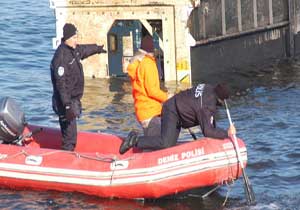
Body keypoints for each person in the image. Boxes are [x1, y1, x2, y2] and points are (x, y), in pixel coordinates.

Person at [119, 83, 236, 154]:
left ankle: (137, 141)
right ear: (220, 100)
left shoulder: (208, 87)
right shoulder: (206, 105)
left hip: (178, 109)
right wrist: (226, 133)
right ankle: (134, 140)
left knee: (170, 144)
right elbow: (207, 131)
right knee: (165, 143)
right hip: (172, 111)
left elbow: (208, 118)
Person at [50, 23, 107, 151]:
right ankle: (66, 160)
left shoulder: (73, 50)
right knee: (69, 137)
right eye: (75, 38)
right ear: (68, 38)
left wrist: (97, 49)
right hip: (65, 103)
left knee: (71, 133)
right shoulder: (61, 57)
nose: (77, 40)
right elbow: (61, 85)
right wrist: (67, 105)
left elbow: (83, 50)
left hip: (73, 100)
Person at [127, 34, 171, 136]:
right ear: (153, 50)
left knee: (151, 139)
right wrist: (167, 97)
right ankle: (136, 142)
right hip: (151, 112)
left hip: (143, 111)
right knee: (155, 143)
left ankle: (139, 144)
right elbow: (152, 90)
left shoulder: (138, 64)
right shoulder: (148, 64)